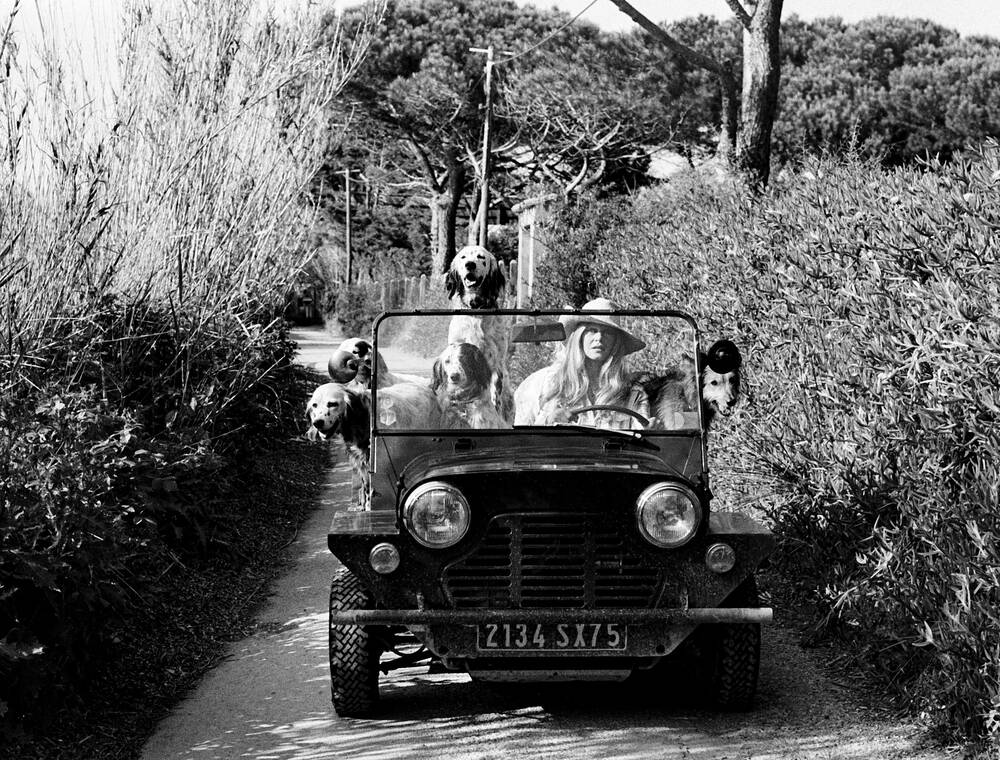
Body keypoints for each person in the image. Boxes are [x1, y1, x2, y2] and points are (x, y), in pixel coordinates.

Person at [514, 297, 652, 430]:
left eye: (608, 333)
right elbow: (520, 441)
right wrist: (547, 422)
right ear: (579, 336)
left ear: (616, 342)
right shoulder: (542, 383)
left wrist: (652, 431)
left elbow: (640, 440)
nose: (599, 338)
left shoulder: (632, 393)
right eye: (592, 330)